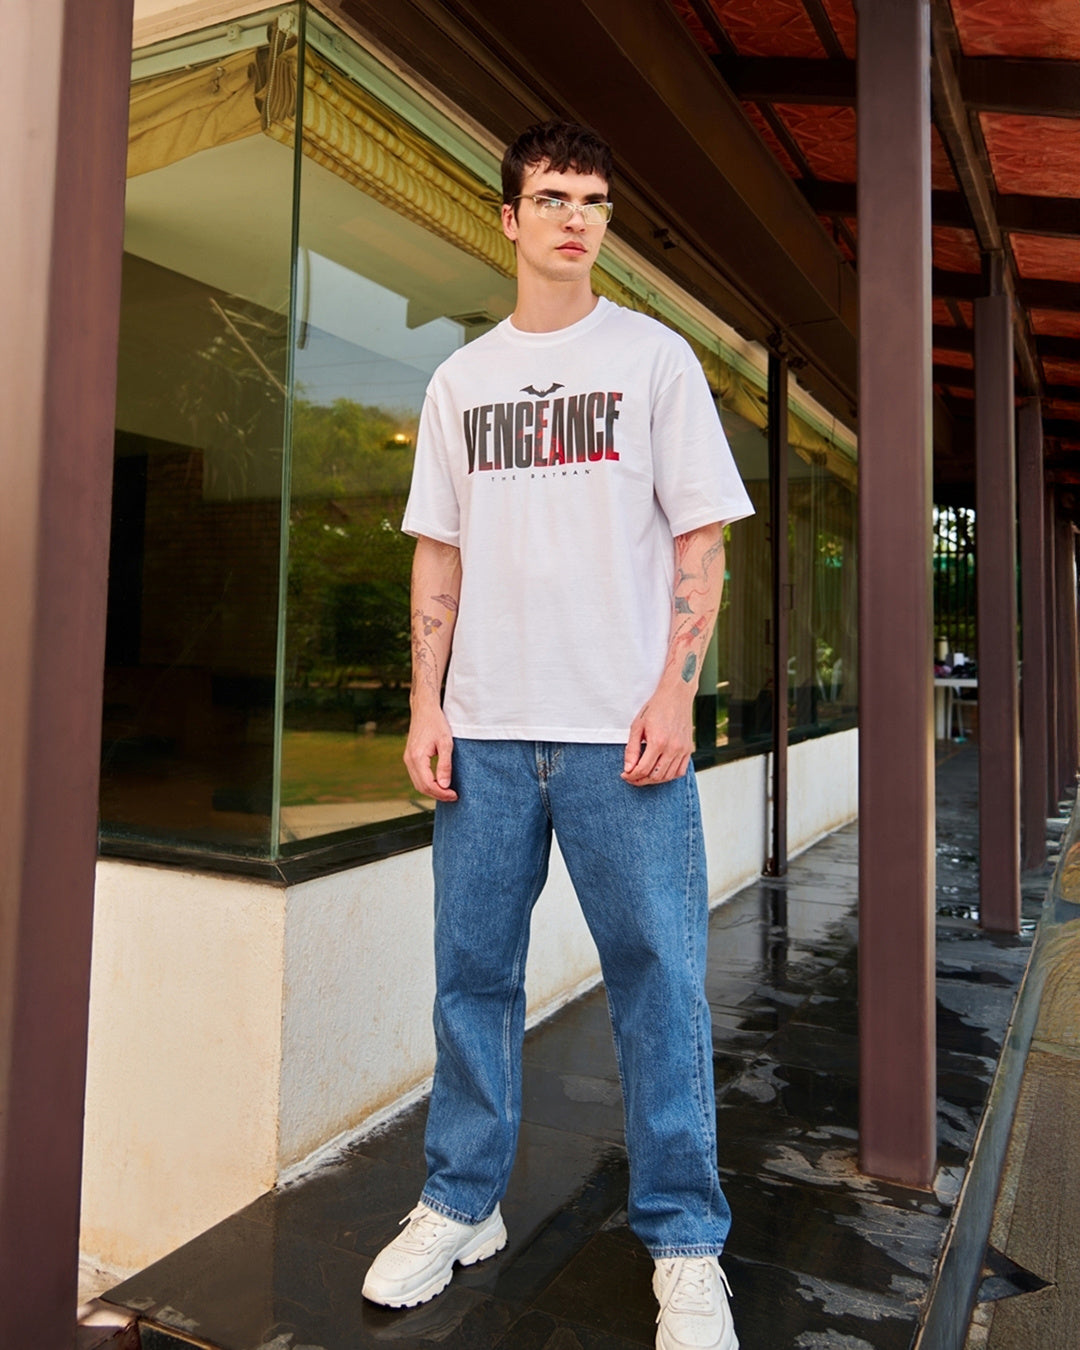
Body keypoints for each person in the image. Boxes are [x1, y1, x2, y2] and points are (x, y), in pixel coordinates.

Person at [362, 119, 753, 1350]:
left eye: (593, 198)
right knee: (471, 984)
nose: (575, 217)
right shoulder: (459, 383)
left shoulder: (655, 361)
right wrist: (426, 702)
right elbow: (442, 548)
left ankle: (687, 1241)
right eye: (551, 196)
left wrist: (676, 692)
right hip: (481, 737)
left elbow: (702, 541)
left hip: (616, 742)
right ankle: (459, 1201)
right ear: (509, 219)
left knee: (661, 987)